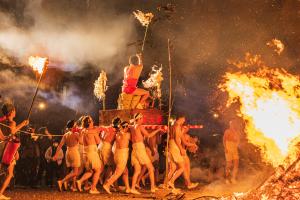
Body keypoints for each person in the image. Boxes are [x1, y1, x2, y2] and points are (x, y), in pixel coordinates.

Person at [0, 103, 29, 200]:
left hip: (3, 149)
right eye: (15, 110)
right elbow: (12, 134)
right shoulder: (12, 123)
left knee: (6, 173)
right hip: (7, 150)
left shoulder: (1, 122)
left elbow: (5, 137)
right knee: (9, 174)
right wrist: (22, 124)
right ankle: (0, 194)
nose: (15, 111)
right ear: (12, 111)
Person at [130, 113, 161, 194]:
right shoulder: (140, 126)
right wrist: (157, 130)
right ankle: (152, 187)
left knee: (137, 170)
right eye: (142, 118)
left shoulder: (132, 127)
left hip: (134, 149)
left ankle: (133, 188)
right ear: (139, 119)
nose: (143, 120)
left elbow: (130, 123)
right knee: (151, 168)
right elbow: (148, 135)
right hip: (139, 148)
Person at [167, 115, 198, 190]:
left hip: (172, 147)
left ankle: (166, 184)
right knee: (182, 167)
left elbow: (183, 141)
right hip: (175, 147)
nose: (184, 121)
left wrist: (193, 144)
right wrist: (181, 148)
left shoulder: (173, 125)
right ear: (181, 118)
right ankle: (171, 182)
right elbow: (177, 139)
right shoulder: (177, 126)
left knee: (173, 167)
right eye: (184, 119)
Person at [103, 121, 131, 194]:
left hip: (117, 154)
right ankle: (107, 184)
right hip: (122, 155)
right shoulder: (127, 135)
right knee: (117, 173)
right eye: (127, 127)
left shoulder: (117, 134)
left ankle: (128, 188)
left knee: (125, 171)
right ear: (126, 127)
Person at [76, 116, 102, 194]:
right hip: (92, 152)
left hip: (85, 152)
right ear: (89, 123)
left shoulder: (83, 131)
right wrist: (97, 134)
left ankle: (80, 181)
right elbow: (98, 141)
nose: (93, 122)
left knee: (90, 171)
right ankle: (93, 188)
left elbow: (80, 142)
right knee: (98, 170)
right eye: (92, 121)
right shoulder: (93, 131)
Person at [53, 120, 81, 192]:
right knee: (75, 172)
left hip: (68, 152)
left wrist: (55, 155)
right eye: (75, 125)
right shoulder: (76, 134)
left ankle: (72, 185)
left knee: (73, 171)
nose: (77, 125)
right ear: (73, 126)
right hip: (74, 152)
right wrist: (81, 133)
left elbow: (60, 146)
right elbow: (82, 142)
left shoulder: (66, 134)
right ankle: (62, 182)